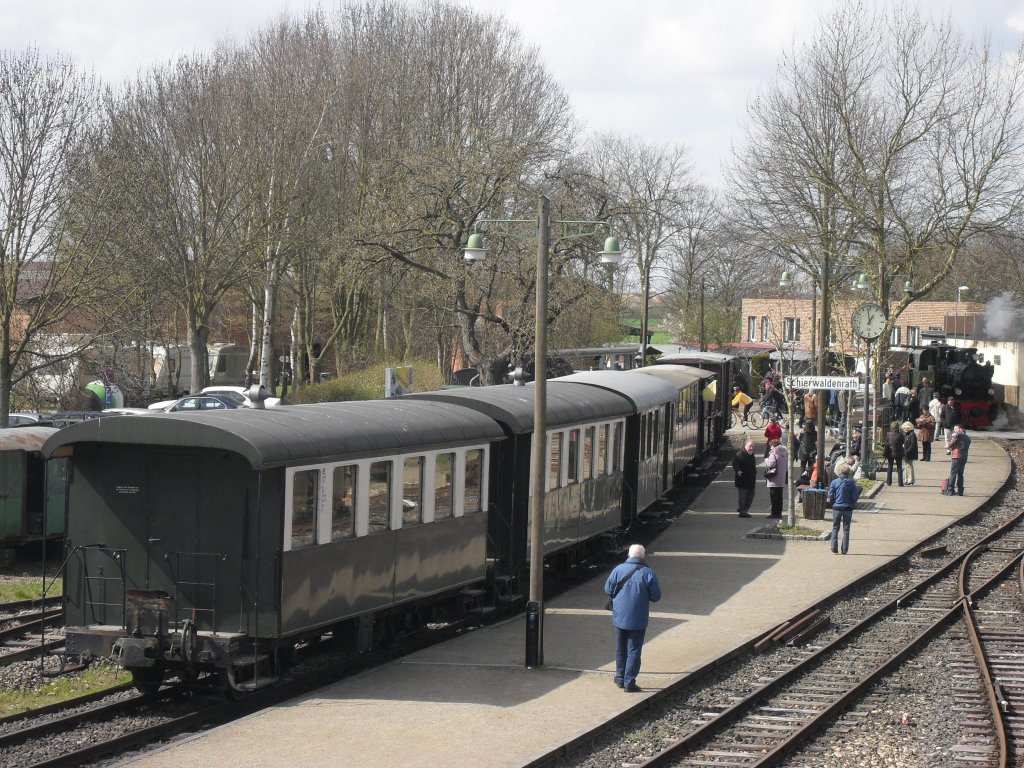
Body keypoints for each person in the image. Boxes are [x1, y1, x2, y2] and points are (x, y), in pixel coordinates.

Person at [604, 544, 661, 693]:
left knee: (620, 648)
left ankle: (620, 678)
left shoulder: (618, 569)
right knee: (634, 650)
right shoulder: (648, 573)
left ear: (629, 555)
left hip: (620, 617)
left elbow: (608, 589)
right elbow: (656, 596)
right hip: (638, 619)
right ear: (643, 556)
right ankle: (629, 682)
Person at [827, 464, 861, 555]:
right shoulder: (851, 483)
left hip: (837, 507)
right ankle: (844, 549)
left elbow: (830, 495)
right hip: (848, 508)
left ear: (839, 471)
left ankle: (834, 546)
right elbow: (855, 496)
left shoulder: (834, 482)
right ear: (848, 472)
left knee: (835, 527)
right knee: (846, 529)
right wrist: (852, 503)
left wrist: (833, 503)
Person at [943, 424, 972, 496]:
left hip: (956, 456)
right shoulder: (968, 437)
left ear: (960, 429)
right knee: (960, 474)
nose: (954, 430)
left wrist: (947, 445)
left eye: (955, 429)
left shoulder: (958, 434)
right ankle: (960, 491)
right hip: (964, 457)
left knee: (953, 473)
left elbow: (952, 442)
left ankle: (950, 490)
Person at [765, 438, 788, 519]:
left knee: (773, 496)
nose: (770, 448)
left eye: (771, 446)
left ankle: (774, 513)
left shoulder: (773, 453)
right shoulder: (784, 453)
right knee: (779, 496)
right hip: (781, 478)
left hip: (774, 478)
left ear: (773, 446)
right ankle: (779, 513)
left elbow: (771, 464)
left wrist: (766, 460)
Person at [731, 440, 756, 517]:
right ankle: (742, 513)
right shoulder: (740, 454)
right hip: (743, 480)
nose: (751, 448)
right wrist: (738, 470)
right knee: (743, 497)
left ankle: (743, 509)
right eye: (750, 446)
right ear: (745, 446)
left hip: (751, 479)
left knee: (750, 496)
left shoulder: (752, 454)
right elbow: (734, 463)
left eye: (753, 447)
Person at [884, 420, 905, 487]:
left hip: (890, 452)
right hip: (898, 452)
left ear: (891, 427)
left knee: (890, 467)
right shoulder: (900, 435)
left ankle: (889, 482)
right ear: (898, 427)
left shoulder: (888, 434)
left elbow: (886, 442)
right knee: (899, 467)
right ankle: (900, 483)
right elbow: (903, 442)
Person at [901, 421, 918, 486]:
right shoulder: (907, 434)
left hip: (909, 453)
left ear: (908, 427)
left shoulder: (912, 434)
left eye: (904, 428)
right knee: (906, 466)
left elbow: (913, 444)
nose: (903, 430)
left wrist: (907, 451)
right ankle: (907, 479)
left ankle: (910, 480)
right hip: (906, 453)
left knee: (909, 466)